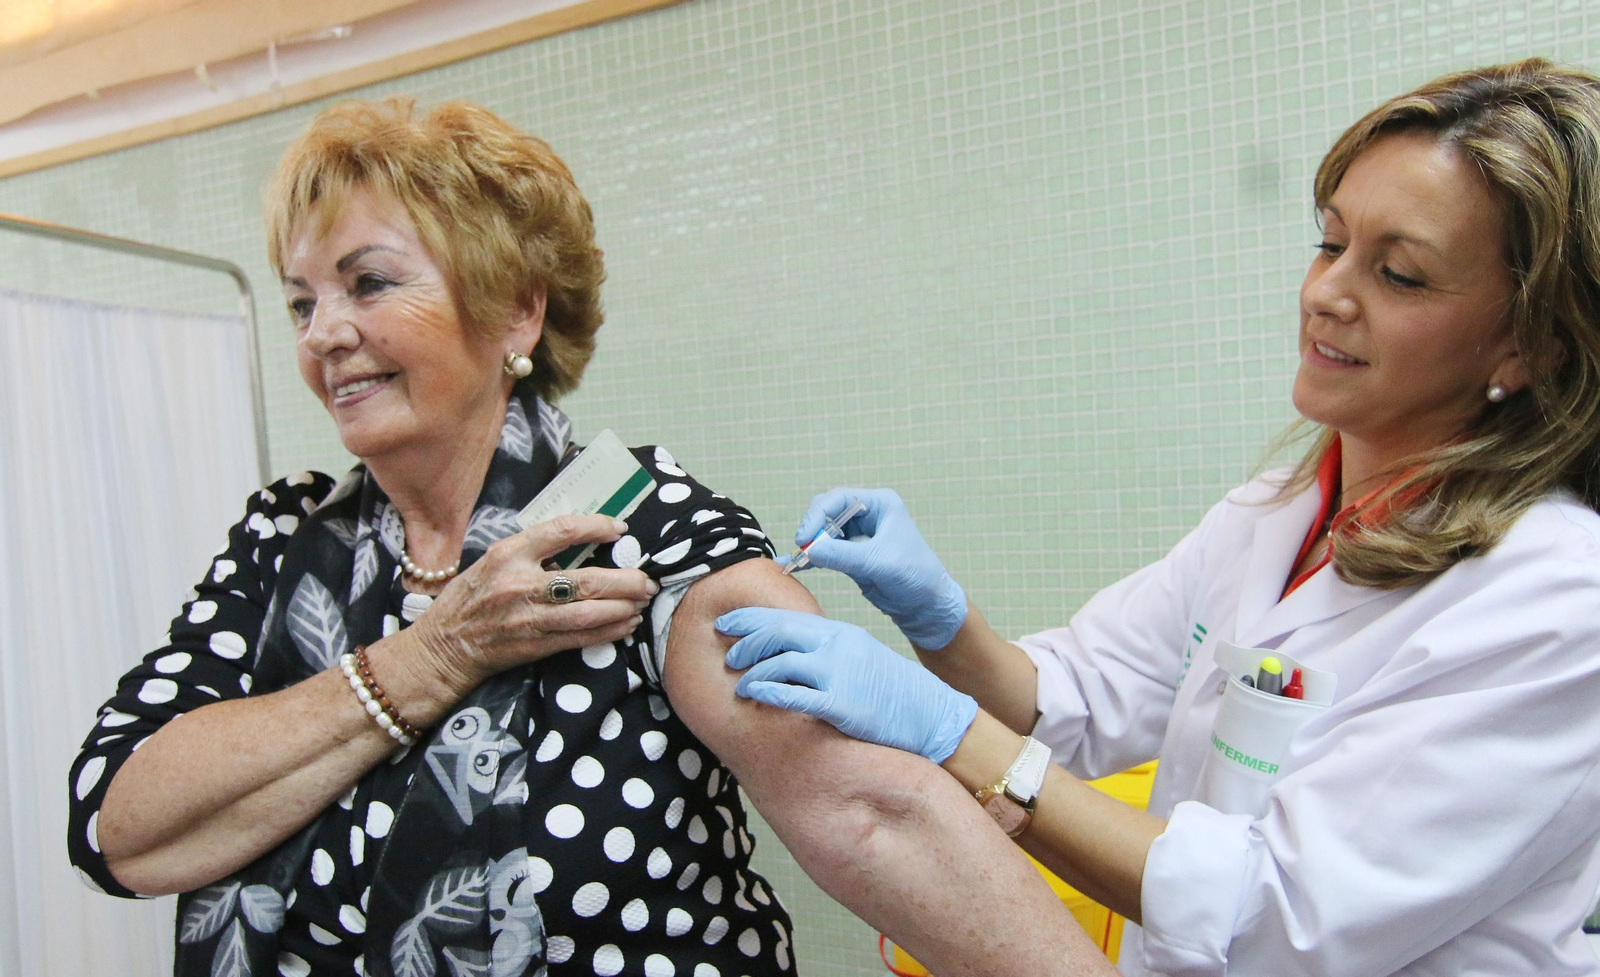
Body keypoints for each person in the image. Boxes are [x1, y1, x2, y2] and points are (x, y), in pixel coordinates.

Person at [66, 98, 1114, 977]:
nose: (323, 332)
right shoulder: (283, 542)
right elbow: (120, 825)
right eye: (301, 301)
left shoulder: (640, 521)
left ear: (517, 312)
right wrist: (436, 651)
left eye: (368, 282)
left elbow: (876, 811)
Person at [719, 58, 1600, 976]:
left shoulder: (1559, 601)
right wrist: (938, 619)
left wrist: (948, 731)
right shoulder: (1275, 515)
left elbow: (1277, 914)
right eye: (1329, 242)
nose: (1327, 294)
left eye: (1401, 275)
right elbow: (1080, 696)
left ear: (1529, 341)